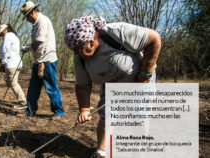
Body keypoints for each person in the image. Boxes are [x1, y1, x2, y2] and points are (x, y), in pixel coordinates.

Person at [64, 15, 161, 158]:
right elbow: (83, 85)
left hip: (140, 82)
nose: (75, 53)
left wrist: (145, 73)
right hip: (112, 85)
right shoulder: (79, 58)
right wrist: (84, 110)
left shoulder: (116, 32)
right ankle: (101, 153)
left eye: (77, 48)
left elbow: (154, 39)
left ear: (90, 42)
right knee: (106, 116)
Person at [16, 1, 64, 120]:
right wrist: (30, 47)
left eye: (27, 16)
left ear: (32, 13)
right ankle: (30, 111)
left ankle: (58, 112)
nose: (27, 19)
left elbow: (38, 42)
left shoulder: (42, 21)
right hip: (38, 60)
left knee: (51, 87)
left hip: (47, 59)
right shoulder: (35, 24)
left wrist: (28, 47)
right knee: (33, 88)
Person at [0, 24, 27, 109]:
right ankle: (22, 100)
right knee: (12, 82)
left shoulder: (8, 36)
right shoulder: (14, 36)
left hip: (11, 63)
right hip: (17, 63)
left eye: (1, 33)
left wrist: (3, 62)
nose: (2, 35)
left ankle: (23, 102)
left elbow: (5, 50)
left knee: (13, 83)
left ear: (5, 30)